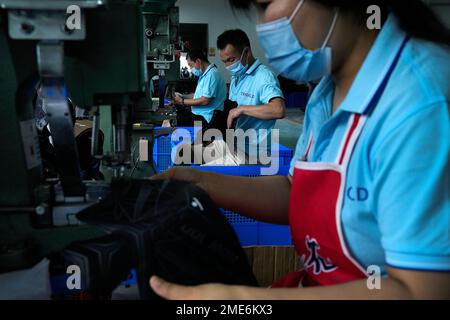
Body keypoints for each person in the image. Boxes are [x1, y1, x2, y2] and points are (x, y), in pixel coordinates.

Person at [149, 0, 450, 299]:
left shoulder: (421, 101)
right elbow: (298, 192)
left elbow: (421, 291)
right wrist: (199, 183)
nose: (262, 26)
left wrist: (248, 302)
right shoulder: (326, 92)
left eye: (266, 4)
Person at [217, 29, 285, 161]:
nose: (228, 66)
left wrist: (241, 110)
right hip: (236, 145)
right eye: (224, 61)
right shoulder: (236, 77)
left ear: (246, 52)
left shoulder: (264, 77)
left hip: (254, 154)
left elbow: (279, 109)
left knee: (202, 176)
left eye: (231, 59)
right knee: (191, 153)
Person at [174, 48, 227, 127]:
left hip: (206, 119)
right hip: (199, 115)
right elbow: (197, 96)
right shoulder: (204, 75)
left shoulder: (212, 74)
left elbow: (205, 100)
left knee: (173, 123)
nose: (191, 69)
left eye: (191, 65)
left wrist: (182, 101)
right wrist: (182, 96)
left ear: (198, 61)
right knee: (175, 118)